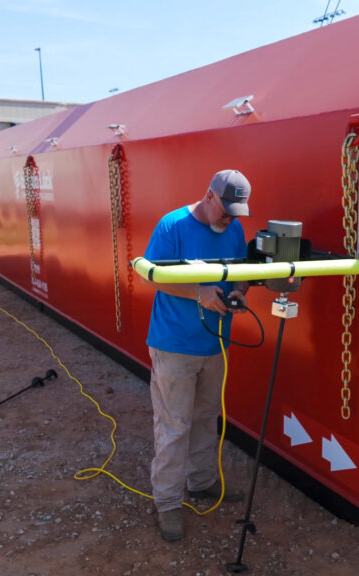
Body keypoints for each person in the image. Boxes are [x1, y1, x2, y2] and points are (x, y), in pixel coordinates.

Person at [142, 169, 252, 541]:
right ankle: (168, 503)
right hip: (174, 346)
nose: (230, 218)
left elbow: (242, 270)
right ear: (208, 196)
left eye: (236, 213)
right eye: (225, 209)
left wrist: (239, 293)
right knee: (175, 425)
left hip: (215, 344)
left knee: (206, 417)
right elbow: (154, 275)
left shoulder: (233, 229)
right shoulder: (172, 226)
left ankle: (202, 482)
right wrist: (199, 293)